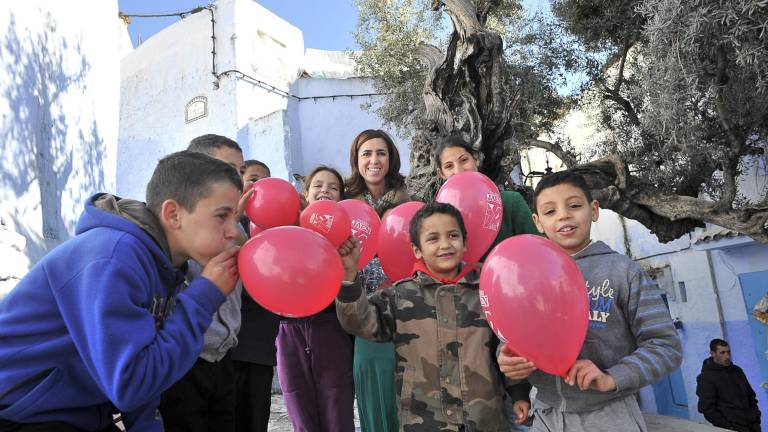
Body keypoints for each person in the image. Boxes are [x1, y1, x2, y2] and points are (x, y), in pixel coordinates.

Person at [0, 151, 242, 432]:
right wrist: (204, 296)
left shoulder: (164, 265)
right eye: (222, 216)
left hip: (75, 412)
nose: (233, 232)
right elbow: (131, 383)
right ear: (173, 214)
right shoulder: (114, 256)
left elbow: (144, 366)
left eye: (235, 218)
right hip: (19, 413)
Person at [498, 170, 682, 432]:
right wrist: (507, 358)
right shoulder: (527, 276)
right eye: (550, 212)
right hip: (545, 417)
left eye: (574, 206)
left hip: (610, 415)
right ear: (537, 222)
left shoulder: (623, 271)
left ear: (593, 210)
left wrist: (611, 378)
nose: (563, 215)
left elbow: (666, 345)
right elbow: (513, 338)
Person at [336, 202, 531, 431]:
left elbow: (506, 347)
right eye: (433, 238)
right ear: (417, 250)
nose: (445, 244)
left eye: (453, 235)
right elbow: (360, 322)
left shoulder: (486, 291)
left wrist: (519, 393)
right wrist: (349, 276)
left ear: (465, 242)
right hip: (423, 421)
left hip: (484, 419)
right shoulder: (399, 295)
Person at [159, 134, 247, 432]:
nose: (235, 179)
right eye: (226, 169)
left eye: (240, 171)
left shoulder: (235, 231)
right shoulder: (177, 235)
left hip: (222, 356)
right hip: (185, 358)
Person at [277, 166, 355, 432]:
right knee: (300, 411)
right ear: (306, 194)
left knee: (337, 411)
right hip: (289, 329)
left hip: (331, 327)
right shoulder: (287, 232)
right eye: (318, 185)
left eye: (333, 187)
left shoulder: (349, 239)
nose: (325, 190)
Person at [345, 129, 408, 431]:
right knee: (375, 401)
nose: (374, 160)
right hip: (364, 311)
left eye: (381, 153)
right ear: (356, 161)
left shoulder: (410, 198)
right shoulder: (345, 204)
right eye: (366, 154)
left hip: (408, 308)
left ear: (391, 158)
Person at [230, 159, 280, 432]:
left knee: (255, 419)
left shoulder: (278, 228)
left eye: (265, 181)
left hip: (259, 343)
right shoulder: (228, 222)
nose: (258, 187)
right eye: (252, 179)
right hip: (226, 343)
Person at [434, 134, 539, 250]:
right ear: (441, 174)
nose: (458, 171)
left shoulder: (510, 202)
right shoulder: (438, 216)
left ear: (476, 158)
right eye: (449, 166)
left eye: (464, 160)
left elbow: (537, 250)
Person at [697, 338, 761, 432]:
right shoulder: (706, 378)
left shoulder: (737, 370)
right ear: (713, 353)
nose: (727, 356)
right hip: (731, 428)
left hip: (753, 427)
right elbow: (707, 408)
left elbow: (751, 396)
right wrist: (728, 427)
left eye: (728, 352)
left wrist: (756, 418)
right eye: (722, 353)